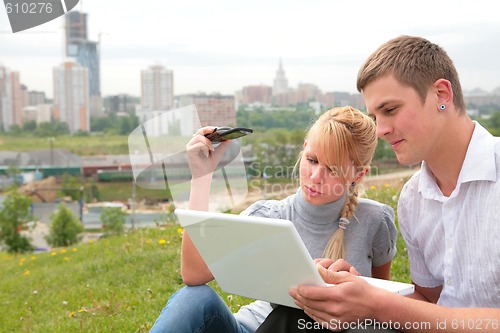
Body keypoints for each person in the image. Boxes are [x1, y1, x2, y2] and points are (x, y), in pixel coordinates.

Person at [258, 35, 500, 333]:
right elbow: (432, 304)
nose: (381, 130)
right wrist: (362, 288)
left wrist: (378, 303)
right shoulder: (414, 198)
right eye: (375, 116)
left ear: (441, 95)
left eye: (390, 110)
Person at [149, 106, 398, 333]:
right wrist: (201, 177)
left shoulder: (375, 220)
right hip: (256, 328)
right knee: (194, 299)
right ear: (304, 149)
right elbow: (194, 275)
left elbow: (382, 308)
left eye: (333, 169)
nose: (315, 176)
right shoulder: (267, 216)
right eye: (312, 160)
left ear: (360, 174)